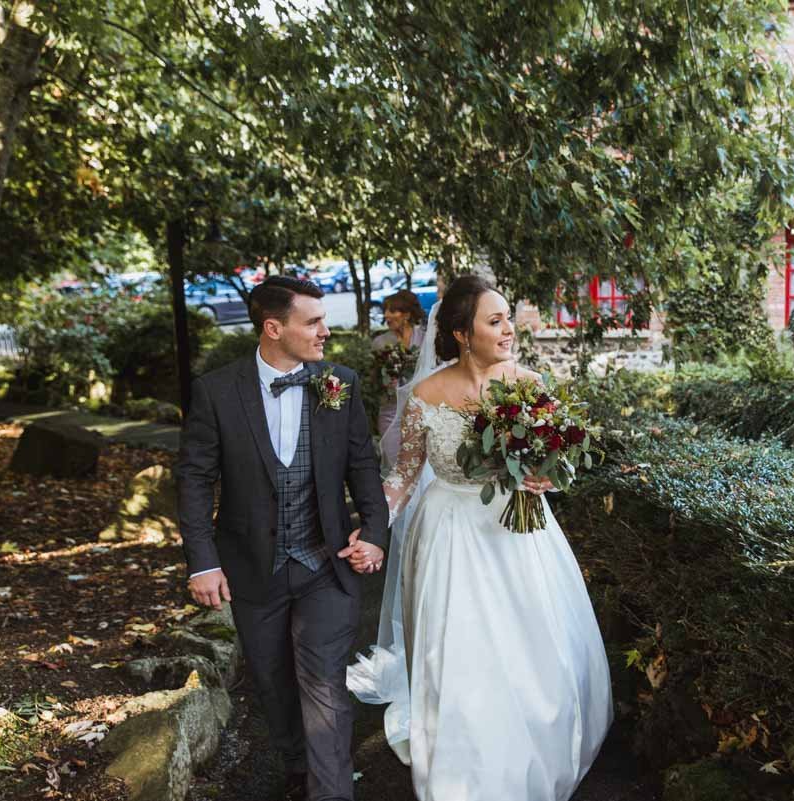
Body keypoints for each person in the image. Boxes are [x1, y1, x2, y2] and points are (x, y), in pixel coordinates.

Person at [347, 275, 613, 801]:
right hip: (448, 534)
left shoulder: (532, 385)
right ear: (461, 334)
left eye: (509, 317)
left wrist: (546, 477)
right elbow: (403, 475)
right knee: (458, 650)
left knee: (532, 644)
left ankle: (538, 747)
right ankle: (463, 766)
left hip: (520, 532)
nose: (510, 329)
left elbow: (557, 466)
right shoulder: (425, 394)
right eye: (496, 321)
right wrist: (373, 529)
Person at [177, 275, 388, 801]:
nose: (325, 331)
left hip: (327, 563)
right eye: (313, 322)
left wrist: (376, 532)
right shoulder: (216, 391)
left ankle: (331, 791)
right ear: (273, 328)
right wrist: (202, 562)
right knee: (273, 682)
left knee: (322, 679)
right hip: (253, 567)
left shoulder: (340, 383)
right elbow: (196, 481)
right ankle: (299, 765)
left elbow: (364, 465)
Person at [371, 289, 426, 443]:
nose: (386, 315)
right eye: (385, 311)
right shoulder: (380, 343)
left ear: (407, 315)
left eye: (392, 311)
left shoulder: (424, 338)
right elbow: (375, 380)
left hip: (421, 409)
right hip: (391, 410)